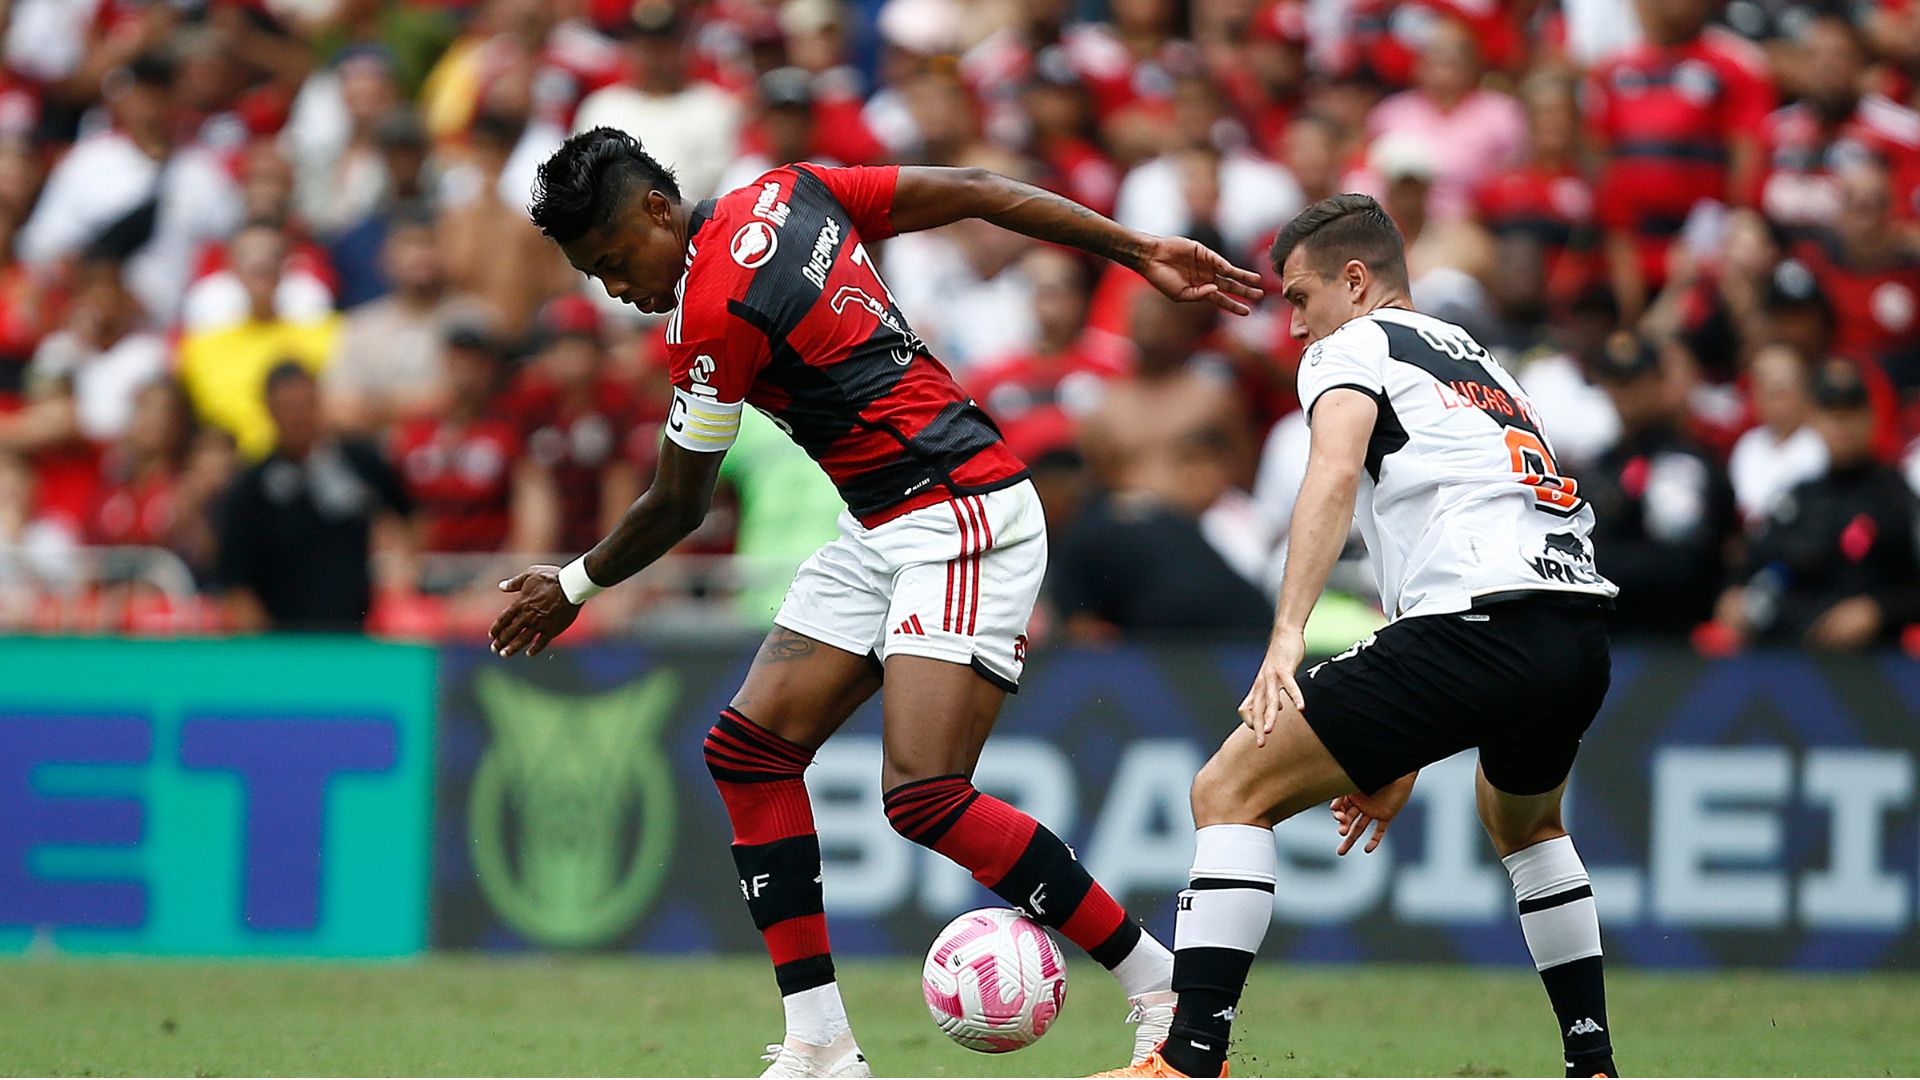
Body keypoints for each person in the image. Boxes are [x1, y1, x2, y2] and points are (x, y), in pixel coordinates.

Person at [487, 127, 1264, 1077]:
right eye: (595, 275)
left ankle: (1159, 985)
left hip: (960, 509)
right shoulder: (791, 191)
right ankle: (820, 1046)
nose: (616, 287)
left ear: (658, 208)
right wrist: (1133, 247)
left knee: (925, 794)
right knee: (748, 752)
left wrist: (572, 586)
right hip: (884, 520)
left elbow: (680, 502)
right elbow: (975, 185)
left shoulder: (712, 315)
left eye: (615, 260)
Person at [1094, 195, 1618, 1079]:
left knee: (1229, 791)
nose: (1296, 326)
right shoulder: (1477, 360)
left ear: (1355, 279)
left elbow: (1334, 473)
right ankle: (1592, 1063)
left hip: (1475, 622)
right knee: (1524, 823)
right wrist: (1401, 745)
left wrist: (1286, 635)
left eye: (1301, 298)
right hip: (1573, 626)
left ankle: (1188, 1061)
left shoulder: (1352, 346)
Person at [1714, 358, 1920, 649]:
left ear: (1871, 417)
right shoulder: (1797, 497)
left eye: (1850, 414)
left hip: (1874, 658)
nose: (1840, 426)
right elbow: (1752, 563)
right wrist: (1734, 591)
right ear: (1813, 419)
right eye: (1831, 414)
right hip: (1791, 650)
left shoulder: (1897, 497)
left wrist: (1879, 609)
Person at [217, 363, 411, 632]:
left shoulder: (360, 462)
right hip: (285, 638)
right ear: (269, 410)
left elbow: (409, 520)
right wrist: (266, 644)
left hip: (360, 634)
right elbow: (236, 583)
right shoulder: (250, 489)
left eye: (305, 404)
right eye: (287, 407)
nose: (298, 417)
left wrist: (398, 572)